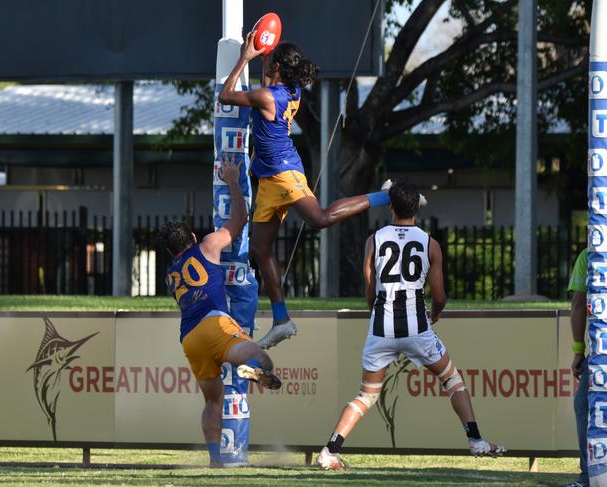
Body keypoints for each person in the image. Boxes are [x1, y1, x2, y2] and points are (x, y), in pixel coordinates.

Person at [218, 32, 395, 350]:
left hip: (286, 174)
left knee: (321, 219)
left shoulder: (268, 97)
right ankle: (281, 319)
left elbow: (226, 96)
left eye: (271, 64)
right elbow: (267, 84)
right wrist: (264, 55)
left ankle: (385, 197)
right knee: (260, 249)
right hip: (269, 181)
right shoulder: (290, 89)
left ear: (278, 70)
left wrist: (245, 57)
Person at [315, 182, 506, 470]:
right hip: (417, 328)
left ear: (390, 206)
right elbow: (440, 296)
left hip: (381, 327)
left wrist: (375, 313)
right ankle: (476, 440)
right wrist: (436, 315)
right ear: (418, 207)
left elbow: (369, 289)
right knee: (452, 381)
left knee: (367, 395)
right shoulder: (430, 243)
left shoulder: (373, 240)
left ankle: (330, 451)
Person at [157, 156, 282, 468]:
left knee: (213, 400)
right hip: (215, 325)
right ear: (193, 239)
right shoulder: (209, 246)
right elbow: (240, 219)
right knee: (263, 356)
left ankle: (214, 460)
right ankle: (253, 370)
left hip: (189, 338)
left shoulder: (170, 273)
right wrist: (232, 181)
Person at [565, 248, 589, 487]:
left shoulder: (590, 256)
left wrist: (578, 351)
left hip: (602, 354)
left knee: (584, 405)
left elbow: (578, 303)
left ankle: (588, 477)